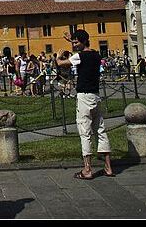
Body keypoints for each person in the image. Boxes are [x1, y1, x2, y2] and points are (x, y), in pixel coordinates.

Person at [57, 30, 113, 180]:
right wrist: (72, 40)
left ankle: (87, 169)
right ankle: (108, 167)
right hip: (95, 96)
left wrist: (58, 57)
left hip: (84, 97)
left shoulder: (79, 56)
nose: (74, 45)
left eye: (76, 43)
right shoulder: (96, 55)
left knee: (85, 132)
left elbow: (62, 63)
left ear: (82, 42)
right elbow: (81, 48)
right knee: (100, 130)